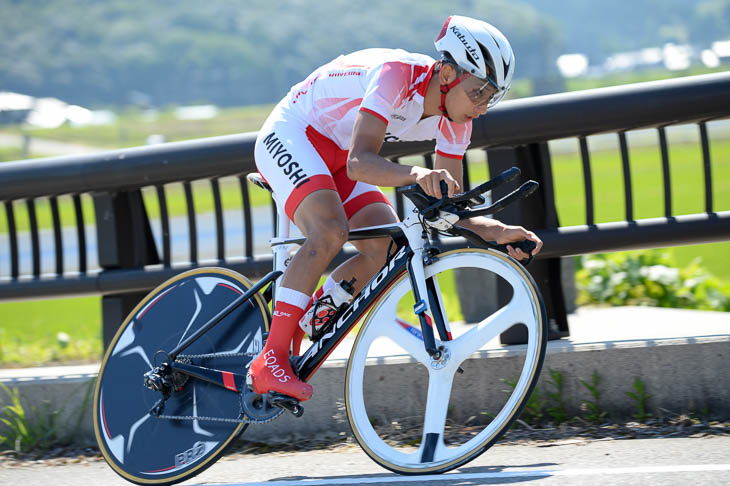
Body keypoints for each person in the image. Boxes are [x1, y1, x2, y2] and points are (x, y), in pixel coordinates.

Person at [249, 15, 543, 402]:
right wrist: (417, 172)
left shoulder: (457, 121)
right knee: (329, 231)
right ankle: (269, 360)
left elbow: (446, 207)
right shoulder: (394, 75)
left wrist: (497, 232)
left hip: (335, 154)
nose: (483, 108)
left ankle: (305, 321)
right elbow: (359, 163)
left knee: (387, 250)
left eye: (491, 98)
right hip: (294, 133)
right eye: (479, 93)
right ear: (448, 71)